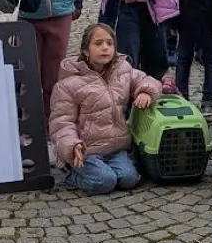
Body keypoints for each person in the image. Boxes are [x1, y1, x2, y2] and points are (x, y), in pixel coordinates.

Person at [49, 24, 158, 195]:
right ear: (86, 51)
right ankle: (70, 174)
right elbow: (61, 122)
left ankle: (107, 170)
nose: (105, 48)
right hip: (87, 151)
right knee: (105, 182)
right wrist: (72, 145)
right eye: (98, 43)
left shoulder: (123, 70)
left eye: (109, 43)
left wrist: (145, 91)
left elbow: (146, 80)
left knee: (129, 179)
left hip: (116, 149)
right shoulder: (68, 85)